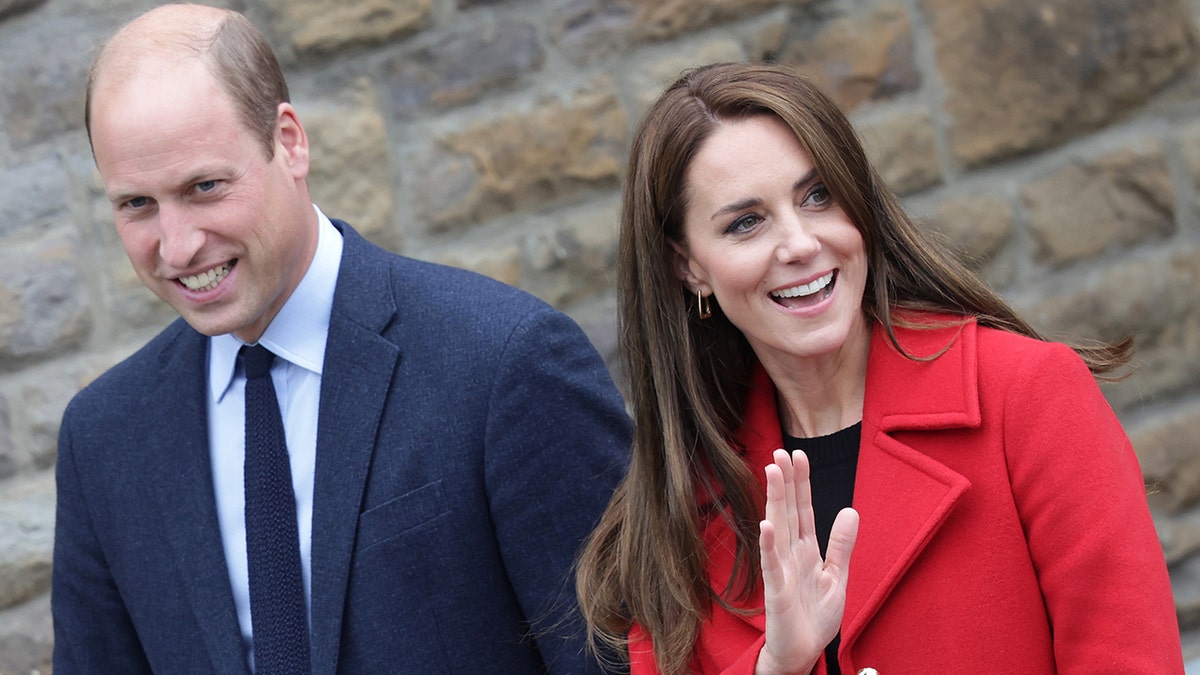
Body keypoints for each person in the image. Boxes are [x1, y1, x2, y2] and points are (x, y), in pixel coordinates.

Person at [52, 5, 631, 674]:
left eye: (204, 187)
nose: (177, 245)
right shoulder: (102, 440)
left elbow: (617, 657)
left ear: (290, 142)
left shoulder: (505, 361)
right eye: (137, 205)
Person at [575, 61, 1183, 674]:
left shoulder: (1027, 395)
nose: (800, 244)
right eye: (746, 222)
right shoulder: (679, 505)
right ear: (689, 267)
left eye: (818, 196)